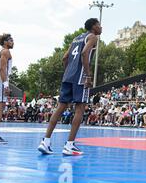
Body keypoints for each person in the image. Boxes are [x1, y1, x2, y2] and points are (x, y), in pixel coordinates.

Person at [38, 18, 101, 155]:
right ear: (94, 27)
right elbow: (85, 53)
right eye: (99, 25)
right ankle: (70, 145)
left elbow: (65, 58)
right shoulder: (93, 37)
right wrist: (88, 75)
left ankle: (45, 141)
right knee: (80, 108)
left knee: (60, 108)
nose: (101, 28)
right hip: (80, 77)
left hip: (68, 76)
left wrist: (68, 72)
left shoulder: (76, 39)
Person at [0, 33, 14, 144]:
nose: (12, 41)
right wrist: (6, 85)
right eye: (10, 40)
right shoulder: (6, 51)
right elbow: (2, 68)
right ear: (5, 42)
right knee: (0, 106)